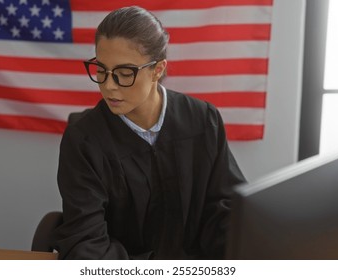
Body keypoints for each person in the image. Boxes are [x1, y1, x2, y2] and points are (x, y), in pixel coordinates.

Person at [55, 6, 246, 259]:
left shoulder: (202, 120)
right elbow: (86, 240)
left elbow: (226, 212)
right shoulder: (84, 140)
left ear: (157, 70)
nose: (108, 86)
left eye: (124, 73)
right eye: (101, 70)